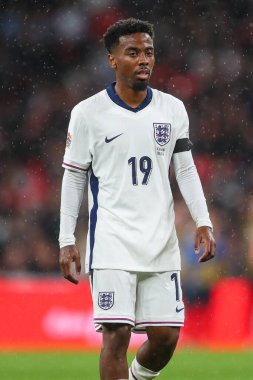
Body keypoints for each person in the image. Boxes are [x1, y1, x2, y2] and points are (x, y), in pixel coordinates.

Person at [59, 18, 216, 380]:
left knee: (166, 338)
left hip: (161, 242)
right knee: (116, 335)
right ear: (112, 60)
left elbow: (186, 171)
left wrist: (203, 220)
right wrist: (67, 239)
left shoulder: (172, 109)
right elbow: (74, 176)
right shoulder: (87, 113)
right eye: (133, 52)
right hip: (112, 242)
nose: (144, 59)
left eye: (149, 52)